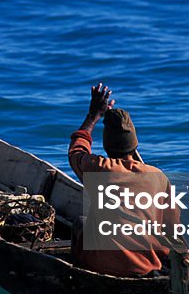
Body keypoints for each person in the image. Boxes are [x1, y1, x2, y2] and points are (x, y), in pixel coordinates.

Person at [68, 83, 182, 277]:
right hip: (147, 268)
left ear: (106, 144)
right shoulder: (158, 177)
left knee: (80, 222)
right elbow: (172, 231)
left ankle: (77, 275)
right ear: (135, 145)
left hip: (102, 266)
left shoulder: (98, 169)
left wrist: (93, 116)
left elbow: (76, 150)